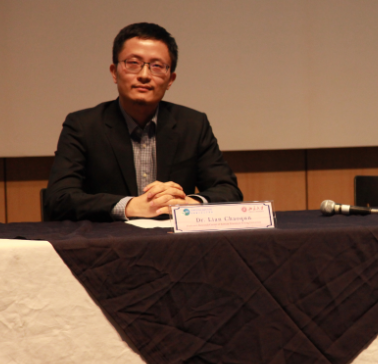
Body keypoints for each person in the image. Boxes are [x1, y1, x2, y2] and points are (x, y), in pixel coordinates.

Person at [45, 22, 242, 221]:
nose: (144, 75)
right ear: (114, 72)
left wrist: (190, 204)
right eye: (133, 63)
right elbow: (58, 199)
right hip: (109, 238)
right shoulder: (83, 126)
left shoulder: (193, 125)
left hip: (173, 237)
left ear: (170, 80)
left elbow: (229, 191)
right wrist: (129, 206)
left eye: (157, 66)